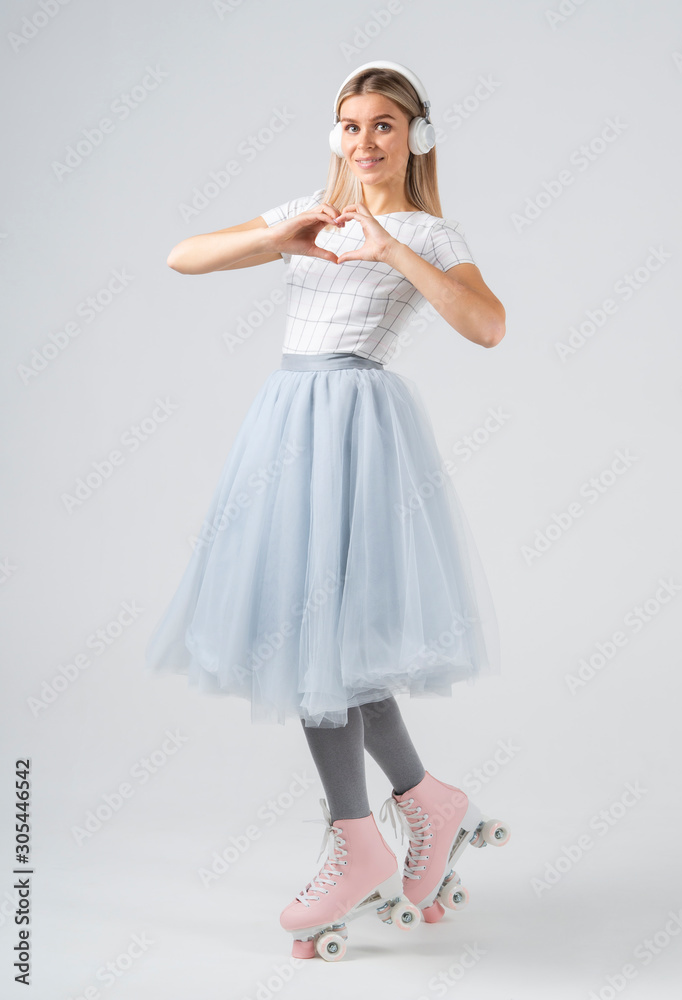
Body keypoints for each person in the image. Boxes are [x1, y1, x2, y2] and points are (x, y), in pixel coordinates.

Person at [145, 60, 509, 961]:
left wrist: (392, 249)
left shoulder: (427, 228)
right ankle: (422, 803)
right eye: (350, 125)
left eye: (384, 125)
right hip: (285, 429)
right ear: (333, 135)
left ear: (414, 137)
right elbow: (181, 255)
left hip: (354, 430)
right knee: (323, 640)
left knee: (328, 638)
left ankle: (360, 837)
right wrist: (287, 237)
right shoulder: (308, 207)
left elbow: (487, 324)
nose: (365, 141)